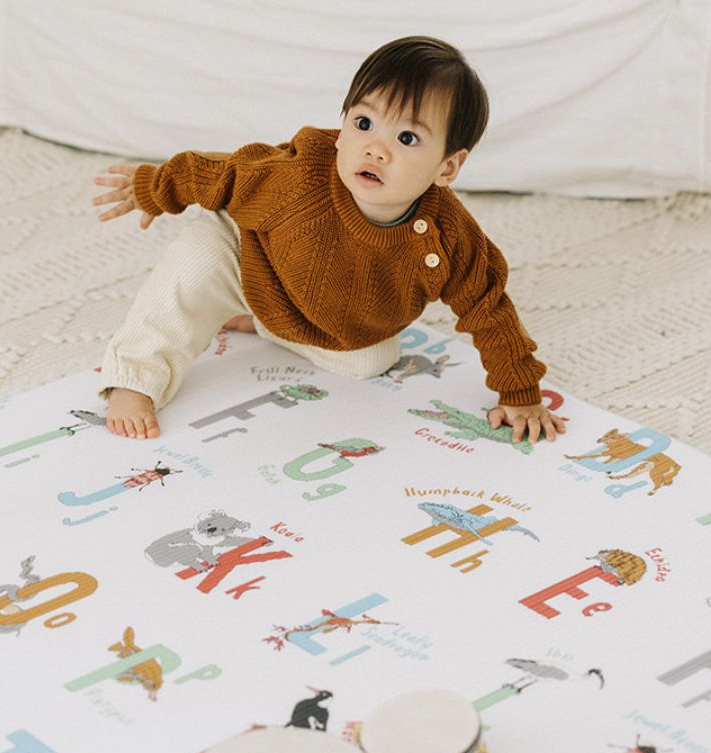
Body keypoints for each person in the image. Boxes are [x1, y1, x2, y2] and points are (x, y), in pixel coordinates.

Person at [91, 35, 565, 445]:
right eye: (363, 124)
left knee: (373, 360)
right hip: (246, 257)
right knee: (194, 267)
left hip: (328, 315)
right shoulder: (298, 179)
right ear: (342, 128)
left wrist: (519, 394)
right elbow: (223, 173)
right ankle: (135, 376)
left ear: (448, 168)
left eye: (407, 139)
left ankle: (264, 322)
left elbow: (489, 308)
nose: (375, 148)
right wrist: (154, 188)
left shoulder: (447, 239)